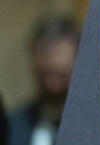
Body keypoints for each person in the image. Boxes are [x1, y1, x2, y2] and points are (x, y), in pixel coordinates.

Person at [7, 15, 78, 145]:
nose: (52, 85)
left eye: (61, 75)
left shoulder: (99, 125)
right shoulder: (13, 125)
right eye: (44, 75)